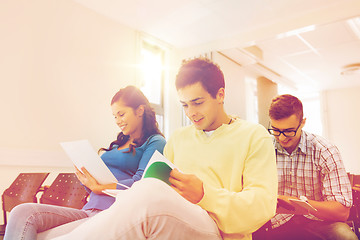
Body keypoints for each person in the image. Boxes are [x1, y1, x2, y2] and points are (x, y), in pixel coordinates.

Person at [52, 57, 278, 240]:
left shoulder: (254, 135)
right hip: (171, 220)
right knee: (45, 231)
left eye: (198, 103)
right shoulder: (179, 138)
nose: (191, 113)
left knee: (149, 190)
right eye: (185, 105)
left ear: (220, 95)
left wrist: (204, 195)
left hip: (219, 231)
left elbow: (263, 205)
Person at [4, 85, 166, 240]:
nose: (117, 120)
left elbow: (141, 183)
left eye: (121, 114)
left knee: (40, 235)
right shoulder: (117, 144)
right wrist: (86, 180)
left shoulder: (155, 141)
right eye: (114, 116)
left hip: (112, 215)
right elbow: (94, 188)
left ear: (140, 110)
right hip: (88, 210)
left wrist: (99, 188)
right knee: (22, 213)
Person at [266, 94, 357, 240]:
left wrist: (298, 203)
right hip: (275, 222)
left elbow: (341, 212)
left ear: (302, 123)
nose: (282, 138)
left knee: (345, 236)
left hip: (319, 221)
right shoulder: (263, 148)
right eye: (276, 130)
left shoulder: (325, 150)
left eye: (289, 131)